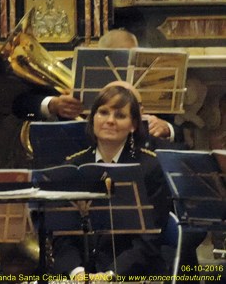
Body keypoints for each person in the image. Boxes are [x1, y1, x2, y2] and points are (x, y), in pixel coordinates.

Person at [52, 84, 171, 278]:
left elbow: (150, 239)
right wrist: (77, 272)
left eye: (120, 115)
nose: (110, 121)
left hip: (133, 274)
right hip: (81, 275)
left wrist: (111, 274)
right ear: (92, 119)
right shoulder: (73, 166)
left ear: (133, 125)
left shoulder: (150, 167)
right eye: (103, 112)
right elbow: (62, 235)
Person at [12, 29, 183, 146]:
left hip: (139, 154)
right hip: (78, 148)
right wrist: (53, 104)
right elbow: (20, 105)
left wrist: (166, 129)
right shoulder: (70, 68)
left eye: (131, 57)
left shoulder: (150, 73)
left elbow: (178, 131)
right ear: (99, 54)